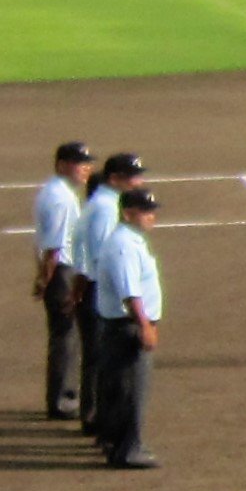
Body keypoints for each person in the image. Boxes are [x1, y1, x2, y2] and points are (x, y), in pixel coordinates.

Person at [92, 189, 166, 469]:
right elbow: (130, 292)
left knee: (121, 387)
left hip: (123, 325)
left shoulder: (129, 240)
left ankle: (117, 443)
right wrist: (144, 325)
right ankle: (127, 449)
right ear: (127, 213)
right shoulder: (124, 245)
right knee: (131, 390)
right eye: (145, 211)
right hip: (127, 326)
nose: (152, 216)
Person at [76, 152, 144, 439]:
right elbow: (106, 256)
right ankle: (98, 419)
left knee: (98, 358)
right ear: (115, 178)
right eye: (133, 177)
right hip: (101, 290)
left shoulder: (102, 201)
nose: (139, 182)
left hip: (93, 285)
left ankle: (97, 417)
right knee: (103, 360)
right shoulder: (107, 207)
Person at [32, 141, 94, 420]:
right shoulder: (61, 198)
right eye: (80, 163)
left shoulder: (53, 191)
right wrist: (45, 280)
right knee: (65, 337)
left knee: (63, 335)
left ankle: (60, 396)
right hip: (63, 273)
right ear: (62, 165)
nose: (85, 169)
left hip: (59, 272)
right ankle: (62, 400)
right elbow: (54, 247)